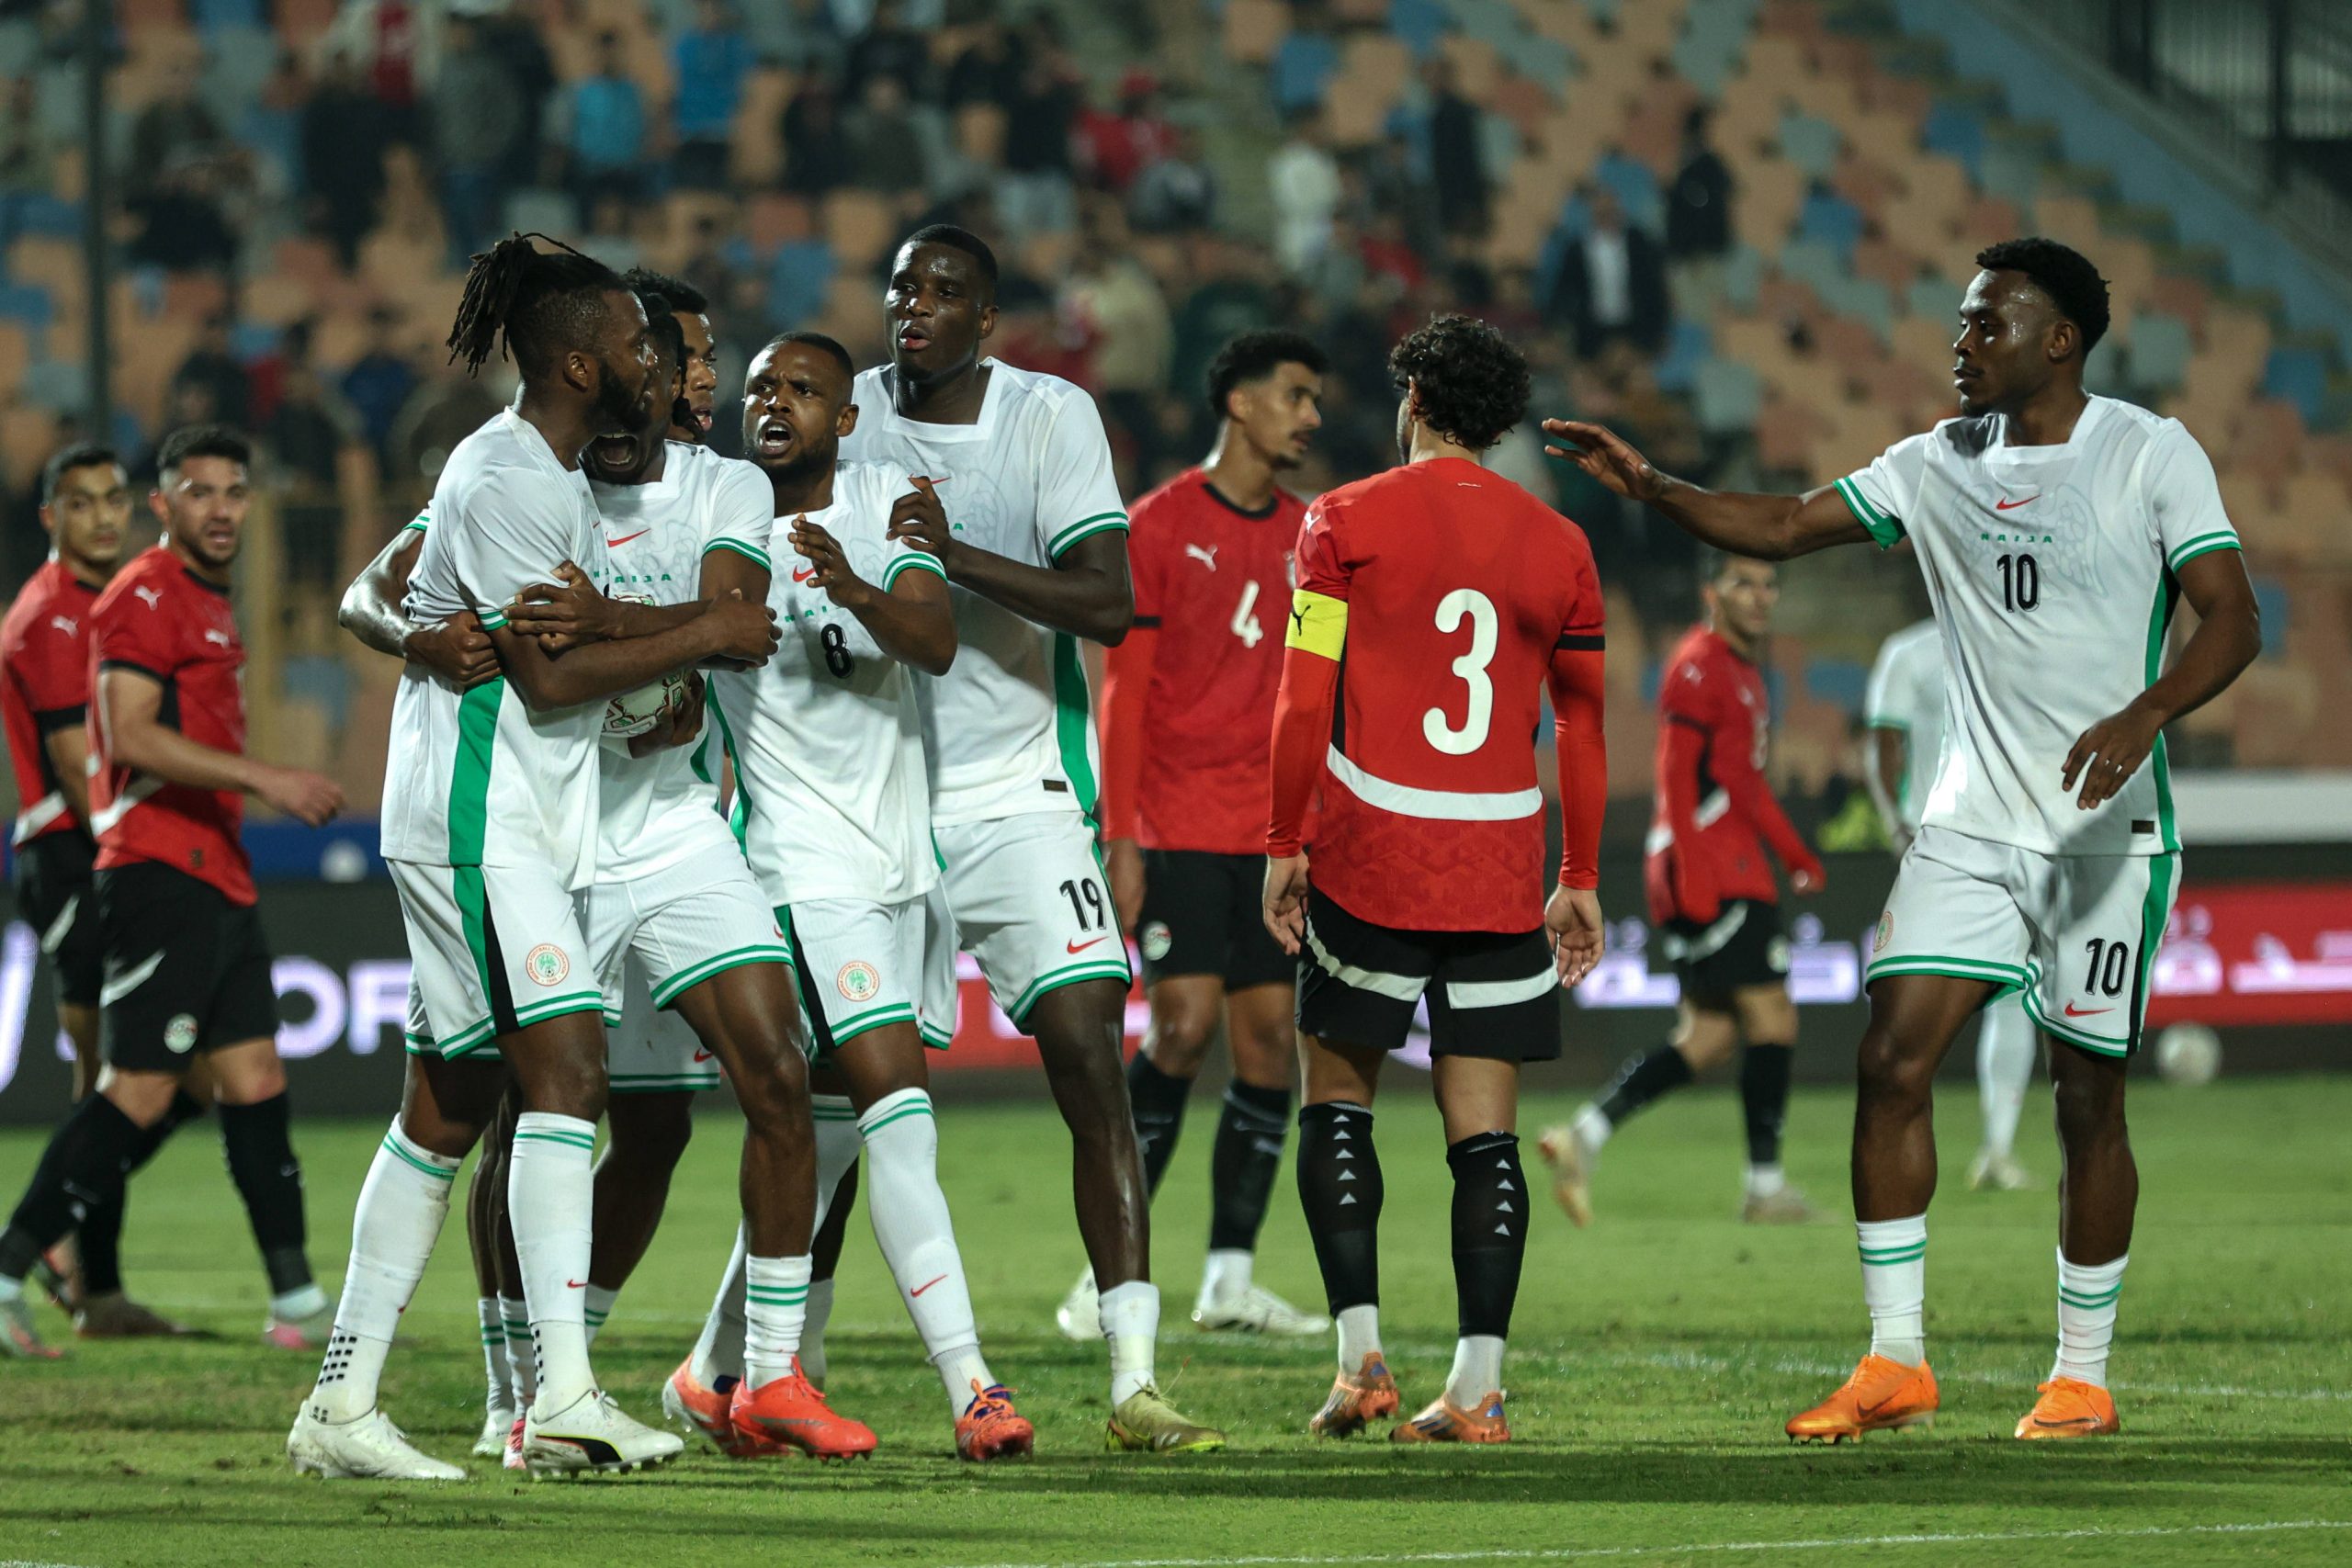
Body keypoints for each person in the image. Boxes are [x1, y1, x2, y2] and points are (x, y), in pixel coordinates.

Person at [1544, 237, 2261, 1442]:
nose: (1962, 341)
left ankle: (2080, 1373)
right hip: (1970, 821)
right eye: (1962, 320)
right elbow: (1779, 521)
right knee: (1890, 1059)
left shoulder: (2150, 452)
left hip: (2106, 834)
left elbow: (2233, 617)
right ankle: (1895, 1357)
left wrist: (2146, 713)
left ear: (2060, 342)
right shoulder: (1937, 463)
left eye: (1989, 322)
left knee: (2086, 1098)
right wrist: (1660, 488)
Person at [285, 235, 777, 1481]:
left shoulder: (544, 474)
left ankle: (339, 1402)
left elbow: (562, 660)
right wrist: (707, 633)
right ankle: (559, 1391)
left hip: (512, 809)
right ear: (576, 360)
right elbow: (551, 678)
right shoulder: (504, 472)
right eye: (630, 342)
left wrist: (656, 657)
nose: (648, 360)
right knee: (567, 1072)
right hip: (478, 811)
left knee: (442, 1111)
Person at [840, 223, 1222, 1452]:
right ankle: (743, 1367)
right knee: (836, 1103)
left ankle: (1132, 1377)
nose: (917, 305)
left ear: (987, 320)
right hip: (871, 796)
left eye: (945, 290)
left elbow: (1111, 602)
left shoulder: (1049, 419)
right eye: (903, 286)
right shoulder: (839, 412)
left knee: (1088, 1059)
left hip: (1018, 792)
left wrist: (954, 556)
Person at [673, 333, 1034, 1463]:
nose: (774, 405)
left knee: (823, 1145)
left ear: (845, 415)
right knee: (901, 1118)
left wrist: (852, 581)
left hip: (901, 868)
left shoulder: (888, 497)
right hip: (797, 871)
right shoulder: (721, 519)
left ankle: (711, 1368)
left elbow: (930, 643)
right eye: (761, 389)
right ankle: (971, 1385)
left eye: (803, 390)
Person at [1261, 313, 1608, 1444]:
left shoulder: (1340, 520)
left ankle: (1361, 1362)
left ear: (1412, 399)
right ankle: (1478, 1386)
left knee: (1338, 1105)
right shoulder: (1561, 545)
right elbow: (1584, 726)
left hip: (1374, 851)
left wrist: (1283, 839)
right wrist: (1581, 873)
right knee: (1487, 1139)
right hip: (1502, 857)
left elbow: (1302, 698)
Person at [0, 427, 347, 1361]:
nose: (223, 508)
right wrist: (264, 778)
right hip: (155, 869)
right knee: (141, 1088)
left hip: (215, 873)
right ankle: (10, 1272)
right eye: (200, 491)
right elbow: (130, 737)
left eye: (237, 490)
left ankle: (299, 1301)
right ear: (167, 504)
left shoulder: (203, 599)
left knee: (253, 1078)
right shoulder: (143, 594)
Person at [1059, 330, 1329, 1343]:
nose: (1310, 416)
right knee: (1179, 1029)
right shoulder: (1159, 526)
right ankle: (1105, 1277)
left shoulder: (1312, 536)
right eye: (1296, 395)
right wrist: (1119, 835)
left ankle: (1228, 1279)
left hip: (1267, 839)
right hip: (1173, 825)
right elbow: (1123, 696)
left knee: (1266, 1046)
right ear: (1240, 403)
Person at [1538, 553, 1825, 1227]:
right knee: (1774, 1017)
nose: (1759, 597)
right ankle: (1765, 1185)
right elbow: (1675, 777)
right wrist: (1694, 877)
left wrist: (1795, 853)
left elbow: (1743, 783)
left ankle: (1588, 1132)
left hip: (1723, 864)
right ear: (1710, 592)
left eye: (1767, 584)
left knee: (1710, 1033)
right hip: (1712, 871)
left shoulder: (1744, 671)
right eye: (1742, 583)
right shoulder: (1699, 663)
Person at [0, 445, 202, 1343]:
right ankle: (57, 1253)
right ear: (52, 517)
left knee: (136, 1083)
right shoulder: (49, 619)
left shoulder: (105, 607)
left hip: (98, 858)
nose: (104, 517)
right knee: (125, 1081)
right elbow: (78, 775)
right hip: (77, 860)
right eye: (81, 504)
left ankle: (91, 1277)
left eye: (113, 500)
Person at [1867, 617, 2039, 1192]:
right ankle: (1894, 1136)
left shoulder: (2015, 640)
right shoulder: (1908, 652)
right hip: (1935, 848)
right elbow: (1883, 746)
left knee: (2014, 994)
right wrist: (1895, 825)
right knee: (1914, 1005)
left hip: (2011, 843)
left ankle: (1998, 1148)